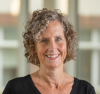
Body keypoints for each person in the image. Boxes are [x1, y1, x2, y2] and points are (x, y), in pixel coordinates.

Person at [3, 8, 96, 94]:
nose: (52, 47)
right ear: (34, 47)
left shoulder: (86, 90)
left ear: (67, 43)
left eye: (58, 39)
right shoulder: (15, 89)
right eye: (44, 40)